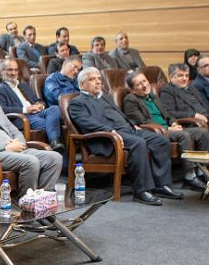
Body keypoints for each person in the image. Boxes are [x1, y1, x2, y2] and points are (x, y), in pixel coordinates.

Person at [68, 67, 181, 205]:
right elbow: (87, 123)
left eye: (99, 79)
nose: (98, 82)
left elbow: (120, 115)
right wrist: (110, 131)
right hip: (107, 137)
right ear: (81, 85)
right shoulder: (78, 103)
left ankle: (161, 185)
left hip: (128, 130)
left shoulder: (105, 97)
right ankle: (141, 191)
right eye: (92, 79)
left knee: (160, 140)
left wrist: (132, 125)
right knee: (138, 143)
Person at [123, 71, 209, 191]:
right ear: (132, 90)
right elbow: (142, 122)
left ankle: (202, 171)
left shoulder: (152, 96)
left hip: (169, 128)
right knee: (184, 135)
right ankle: (190, 176)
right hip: (155, 132)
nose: (144, 85)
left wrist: (173, 123)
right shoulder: (130, 100)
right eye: (139, 84)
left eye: (145, 81)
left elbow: (167, 115)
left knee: (202, 132)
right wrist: (168, 128)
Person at [0, 59, 63, 150]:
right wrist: (26, 109)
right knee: (53, 123)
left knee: (55, 108)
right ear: (2, 71)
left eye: (16, 70)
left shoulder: (23, 85)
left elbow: (38, 100)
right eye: (10, 70)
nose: (13, 73)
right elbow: (0, 109)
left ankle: (55, 143)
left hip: (37, 113)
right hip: (22, 118)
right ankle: (57, 147)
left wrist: (40, 105)